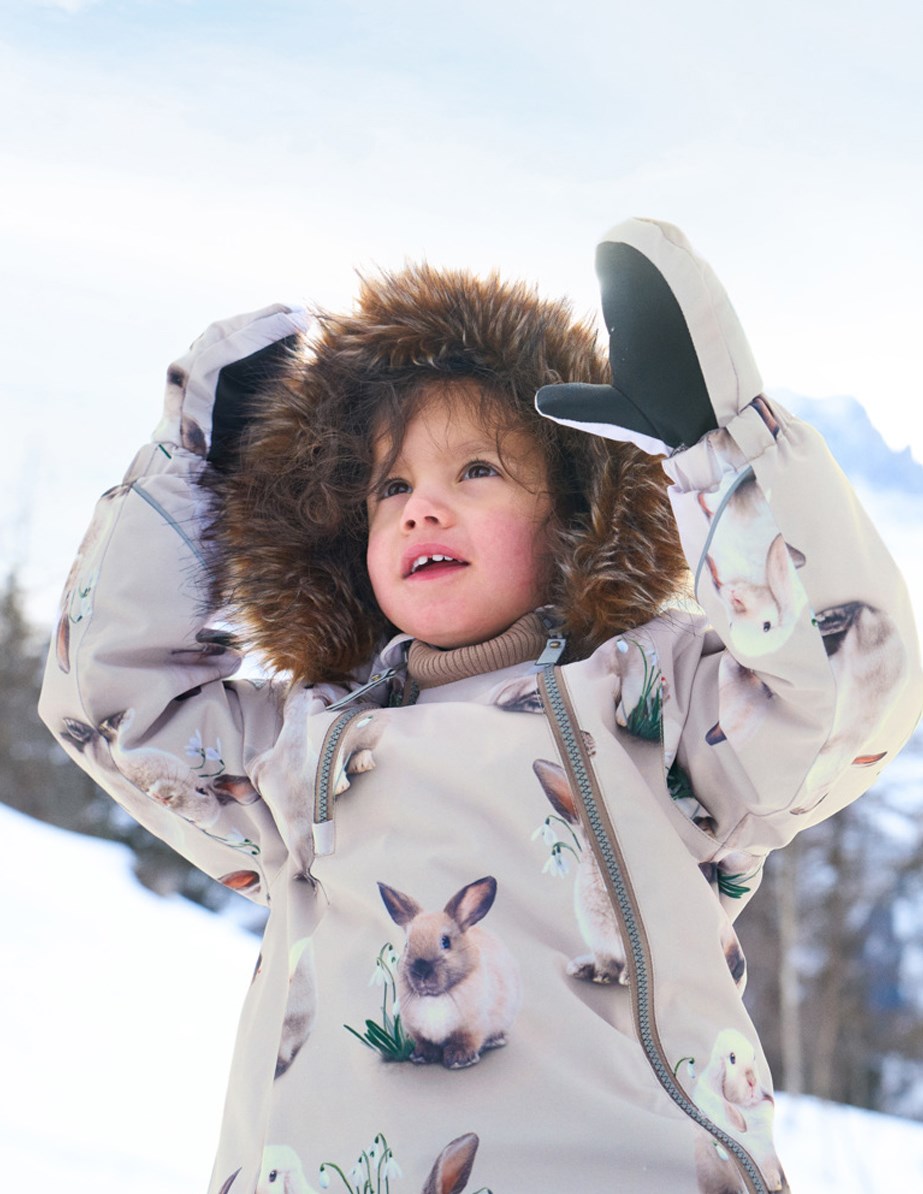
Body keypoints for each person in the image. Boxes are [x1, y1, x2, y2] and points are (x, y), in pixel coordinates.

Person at [39, 219, 922, 1194]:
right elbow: (115, 707)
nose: (421, 506)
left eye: (476, 471)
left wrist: (717, 448)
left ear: (574, 518)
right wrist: (190, 468)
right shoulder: (302, 753)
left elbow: (845, 684)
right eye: (390, 486)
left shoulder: (652, 706)